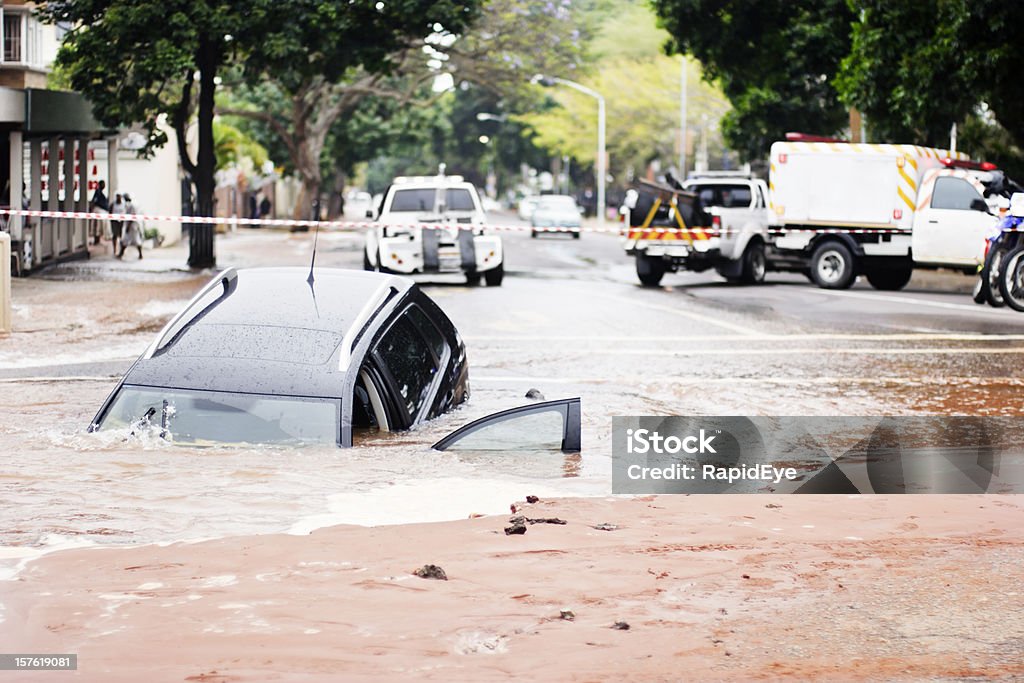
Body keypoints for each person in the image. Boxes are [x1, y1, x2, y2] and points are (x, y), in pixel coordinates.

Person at [117, 193, 143, 260]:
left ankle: (140, 254)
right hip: (131, 225)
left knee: (133, 240)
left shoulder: (131, 205)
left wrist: (128, 226)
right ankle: (121, 253)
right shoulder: (128, 205)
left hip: (132, 226)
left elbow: (132, 216)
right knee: (128, 240)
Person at [89, 180, 110, 245]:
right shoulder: (98, 192)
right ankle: (96, 240)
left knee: (100, 227)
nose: (104, 186)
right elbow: (94, 201)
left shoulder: (101, 193)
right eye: (103, 184)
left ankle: (98, 240)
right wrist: (91, 208)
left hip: (103, 211)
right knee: (97, 227)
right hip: (99, 211)